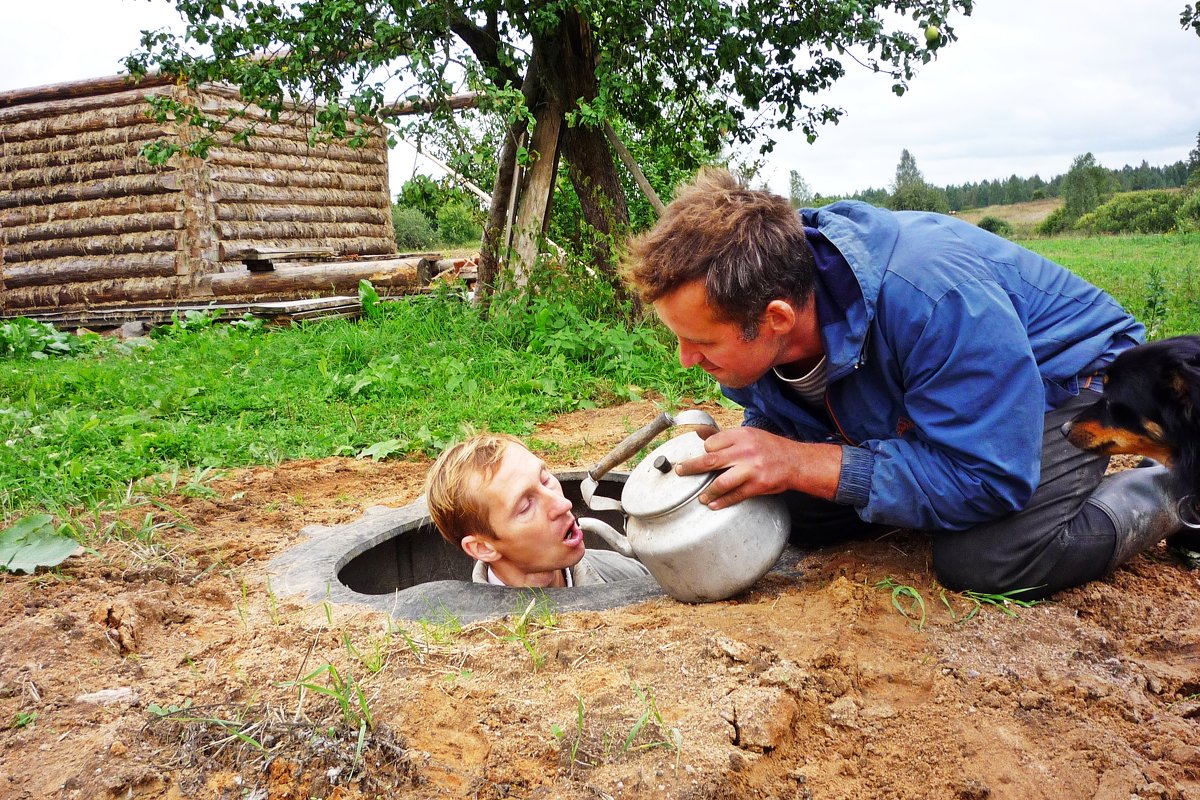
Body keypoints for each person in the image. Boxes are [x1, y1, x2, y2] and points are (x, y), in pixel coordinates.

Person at [621, 167, 1184, 598]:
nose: (685, 359)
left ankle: (1160, 493)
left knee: (983, 559)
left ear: (776, 319)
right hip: (922, 400)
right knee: (796, 511)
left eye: (703, 343)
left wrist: (800, 461)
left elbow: (991, 475)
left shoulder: (933, 299)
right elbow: (779, 421)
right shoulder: (764, 298)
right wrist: (771, 456)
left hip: (1064, 381)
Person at [424, 433, 650, 588]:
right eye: (525, 506)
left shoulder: (628, 574)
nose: (563, 505)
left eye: (545, 480)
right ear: (482, 548)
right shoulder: (467, 637)